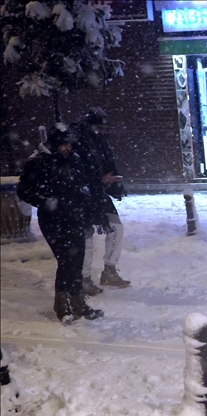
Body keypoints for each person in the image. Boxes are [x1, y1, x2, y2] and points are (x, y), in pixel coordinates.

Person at [17, 123, 103, 322]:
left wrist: (85, 200)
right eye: (64, 145)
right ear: (55, 143)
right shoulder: (38, 162)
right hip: (53, 219)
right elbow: (24, 191)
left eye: (70, 145)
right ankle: (61, 303)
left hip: (74, 216)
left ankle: (77, 301)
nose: (68, 148)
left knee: (77, 259)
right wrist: (46, 202)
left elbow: (84, 183)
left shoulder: (74, 160)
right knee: (66, 259)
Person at [74, 107, 130, 293]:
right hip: (84, 195)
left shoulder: (100, 142)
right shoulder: (79, 144)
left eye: (105, 128)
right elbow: (78, 173)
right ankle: (84, 278)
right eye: (99, 127)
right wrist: (99, 179)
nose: (103, 132)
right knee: (87, 236)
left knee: (116, 228)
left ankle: (109, 270)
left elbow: (106, 164)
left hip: (99, 194)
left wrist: (113, 183)